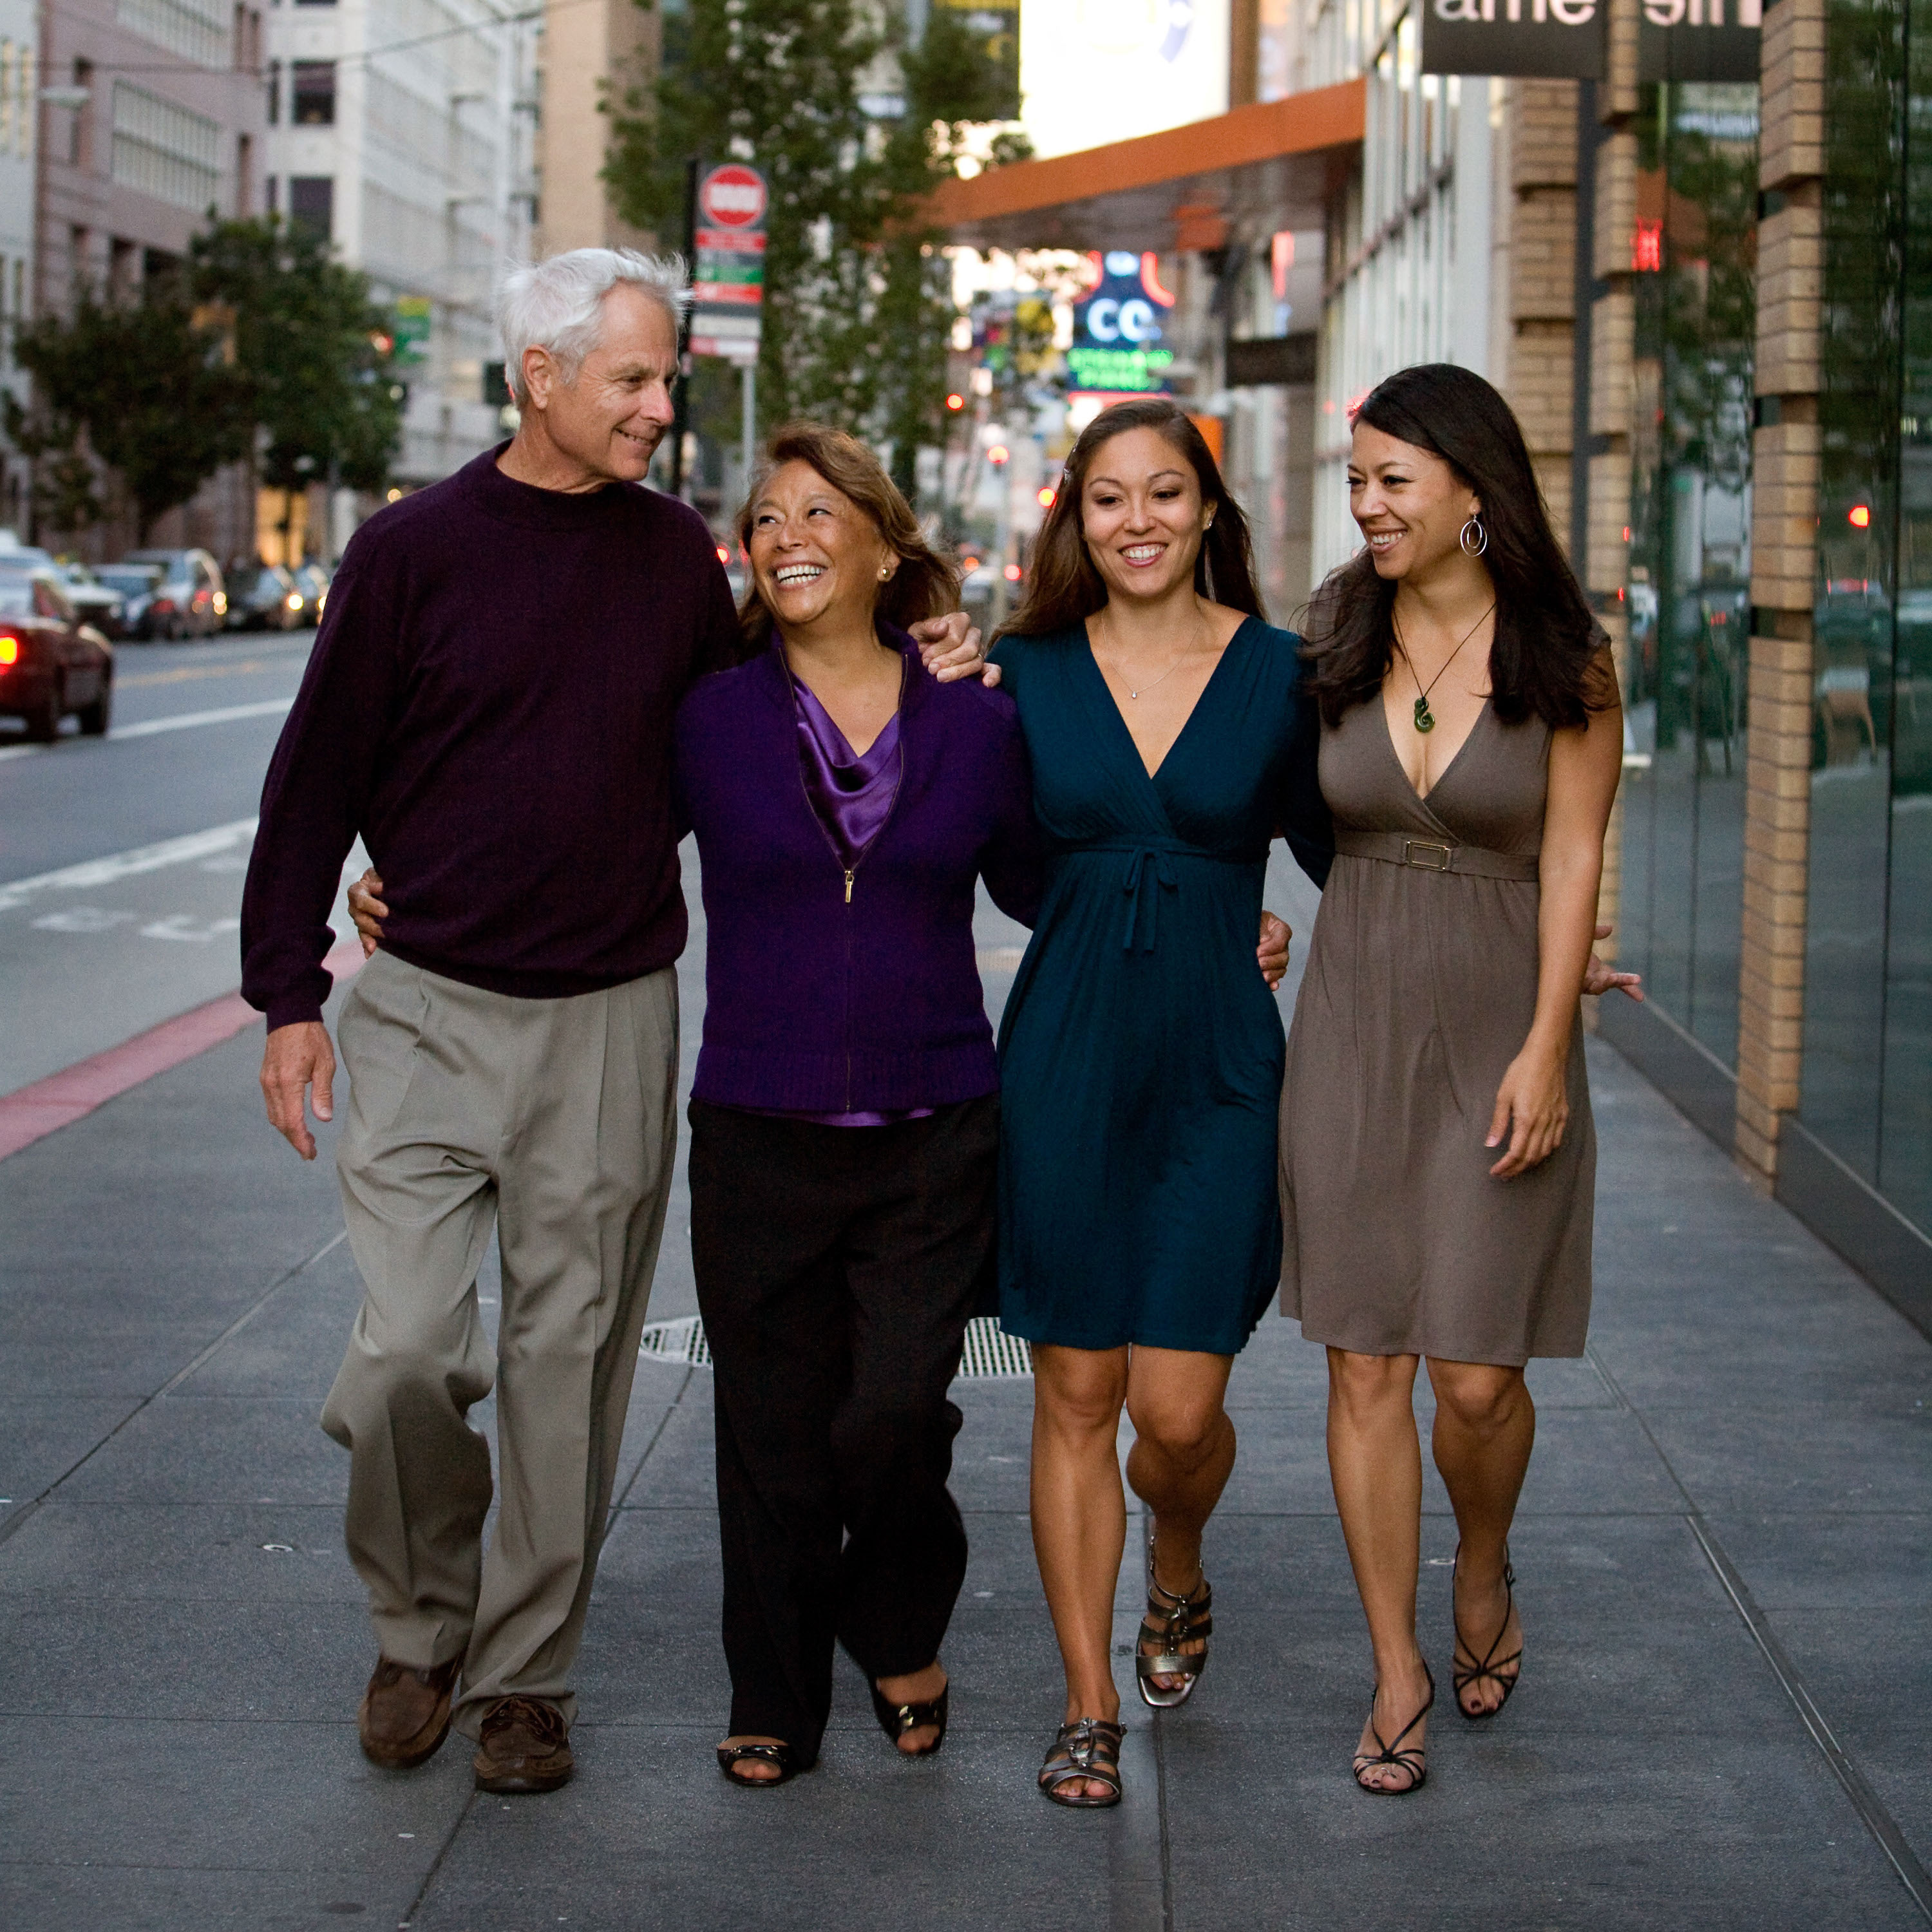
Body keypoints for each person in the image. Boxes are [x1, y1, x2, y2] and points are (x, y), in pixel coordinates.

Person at [238, 250, 983, 1797]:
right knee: (405, 1357)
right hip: (432, 1011)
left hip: (611, 1022)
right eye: (637, 382)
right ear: (542, 377)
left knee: (567, 1366)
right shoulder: (405, 553)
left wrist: (932, 658)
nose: (662, 409)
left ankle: (523, 1677)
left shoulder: (668, 568)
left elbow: (787, 716)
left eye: (666, 382)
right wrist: (291, 994)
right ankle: (418, 1618)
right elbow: (317, 776)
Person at [1279, 362, 1626, 1795]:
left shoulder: (1568, 656)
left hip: (1501, 1023)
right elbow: (1249, 789)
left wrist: (1552, 1042)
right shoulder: (1331, 631)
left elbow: (1572, 859)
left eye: (1392, 483)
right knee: (1365, 1355)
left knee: (1478, 1379)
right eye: (1356, 481)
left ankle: (1481, 1564)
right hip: (1354, 1017)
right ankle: (1397, 1661)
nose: (1367, 506)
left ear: (1475, 490)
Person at [987, 398, 1332, 1807]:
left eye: (1165, 495)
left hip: (1215, 1067)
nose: (1138, 521)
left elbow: (1353, 848)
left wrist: (1524, 950)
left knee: (1178, 1415)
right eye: (1109, 498)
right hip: (1065, 1052)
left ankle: (1175, 1566)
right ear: (1075, 516)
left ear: (1207, 513)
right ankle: (1084, 1706)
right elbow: (990, 856)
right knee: (1074, 1386)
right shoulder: (1019, 673)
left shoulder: (1280, 674)